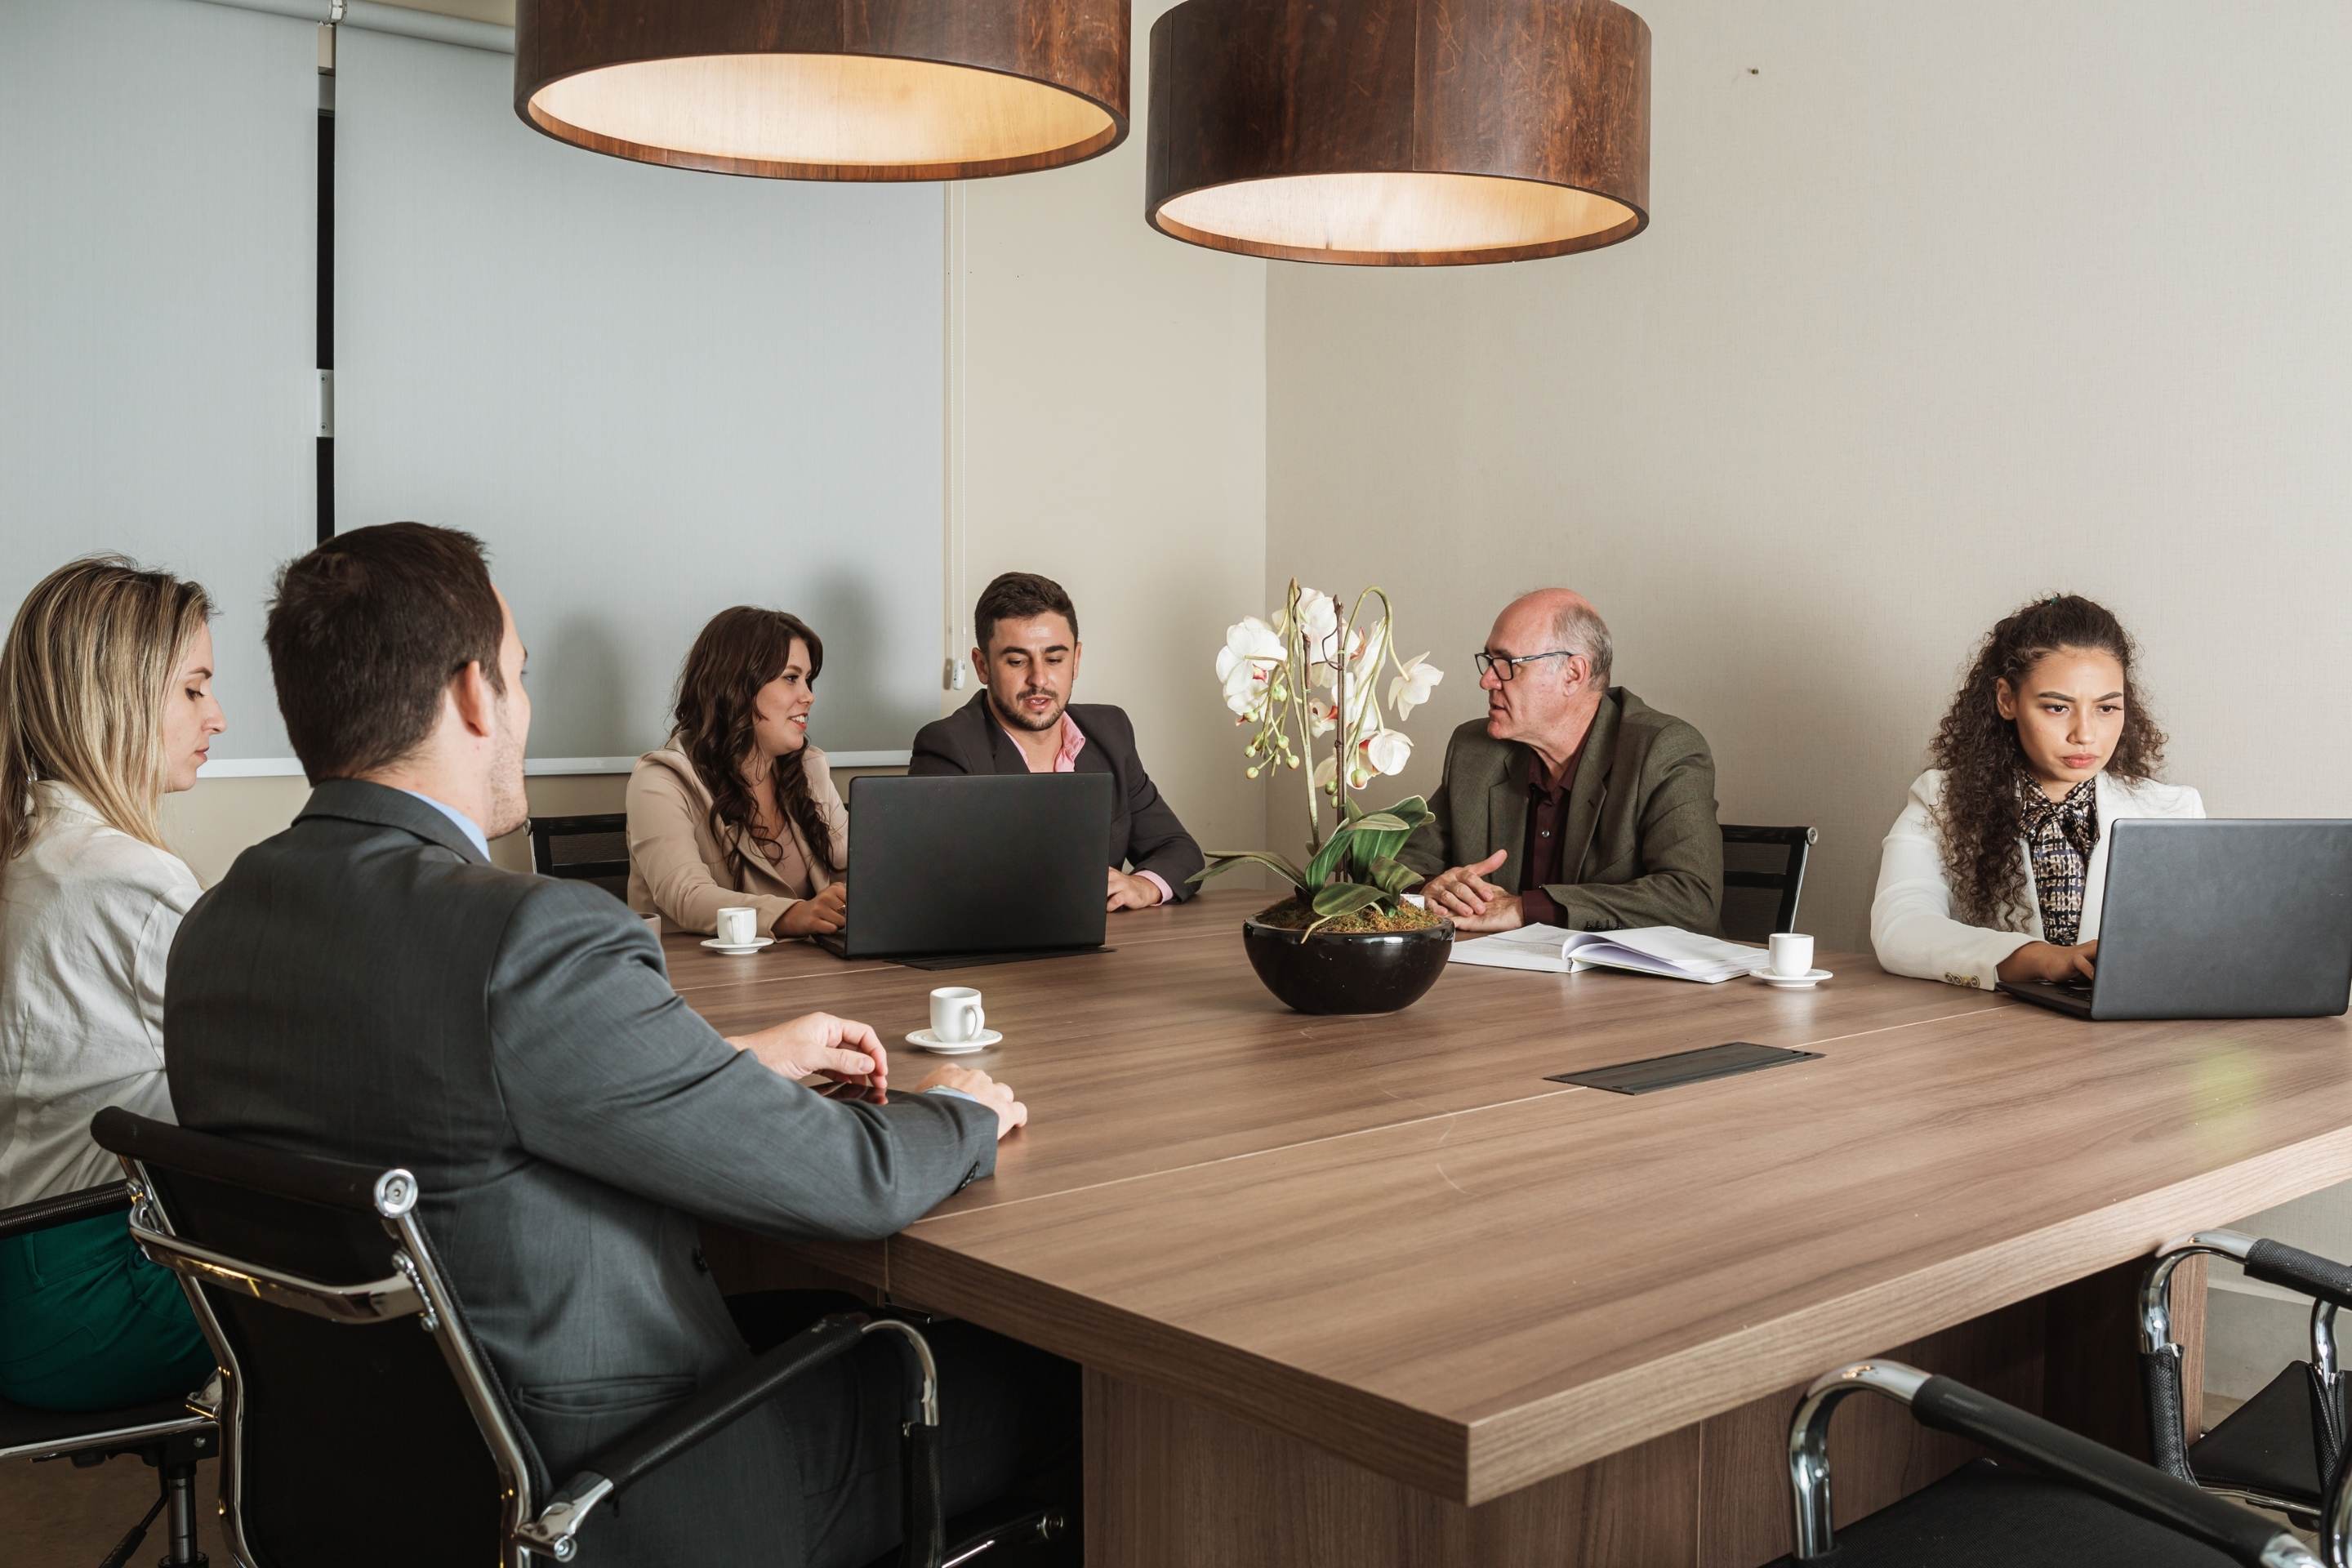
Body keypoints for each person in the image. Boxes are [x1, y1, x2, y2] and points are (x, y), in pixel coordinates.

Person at [164, 523, 1069, 1568]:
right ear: (471, 695)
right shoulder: (530, 935)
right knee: (1050, 1381)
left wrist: (722, 1064)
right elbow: (850, 1179)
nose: (526, 708)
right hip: (621, 1484)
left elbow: (457, 1098)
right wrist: (962, 1111)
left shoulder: (217, 929)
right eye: (521, 676)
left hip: (374, 1477)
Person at [0, 556, 223, 1411]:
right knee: (396, 1286)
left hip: (27, 1275)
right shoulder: (123, 878)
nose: (218, 716)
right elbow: (266, 1077)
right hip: (83, 1298)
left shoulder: (34, 850)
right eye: (194, 689)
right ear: (119, 695)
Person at [1872, 593, 2203, 990]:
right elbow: (1900, 928)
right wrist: (2038, 958)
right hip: (1989, 1036)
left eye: (2107, 708)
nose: (2085, 734)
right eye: (2057, 707)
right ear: (2007, 700)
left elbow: (2200, 951)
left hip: (2127, 1040)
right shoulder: (1941, 799)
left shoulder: (2173, 810)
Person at [1401, 589, 1723, 935]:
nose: (1487, 680)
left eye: (1507, 664)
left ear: (1572, 674)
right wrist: (1428, 890)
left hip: (1633, 984)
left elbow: (1692, 899)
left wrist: (1526, 908)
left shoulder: (1663, 750)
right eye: (1488, 661)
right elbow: (1395, 868)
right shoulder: (1476, 752)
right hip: (1504, 977)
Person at [910, 571, 1204, 911]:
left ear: (1076, 659)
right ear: (982, 666)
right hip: (997, 958)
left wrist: (1143, 885)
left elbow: (1180, 850)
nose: (1039, 679)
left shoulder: (1111, 731)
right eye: (1017, 661)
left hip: (1106, 952)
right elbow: (933, 886)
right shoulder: (948, 746)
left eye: (1054, 659)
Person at [630, 607, 850, 938]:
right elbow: (687, 896)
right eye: (791, 678)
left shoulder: (809, 767)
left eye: (808, 680)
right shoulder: (659, 779)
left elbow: (850, 866)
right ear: (737, 686)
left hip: (802, 972)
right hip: (699, 978)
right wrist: (795, 914)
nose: (809, 696)